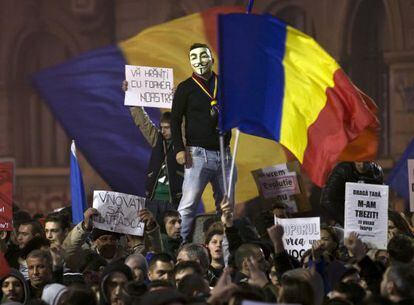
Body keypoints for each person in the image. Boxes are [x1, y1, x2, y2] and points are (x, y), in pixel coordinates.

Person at [171, 42, 235, 242]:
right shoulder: (185, 88)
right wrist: (179, 149)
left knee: (226, 205)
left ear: (213, 59)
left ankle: (224, 247)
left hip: (224, 154)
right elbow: (174, 120)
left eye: (204, 56)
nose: (199, 61)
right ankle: (179, 249)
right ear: (190, 62)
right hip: (197, 155)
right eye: (194, 58)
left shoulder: (225, 84)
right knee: (188, 205)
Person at [122, 81, 184, 211]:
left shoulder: (183, 143)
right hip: (153, 200)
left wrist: (178, 100)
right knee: (153, 231)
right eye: (161, 128)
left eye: (167, 128)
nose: (163, 131)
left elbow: (182, 122)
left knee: (172, 231)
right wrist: (132, 98)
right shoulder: (158, 140)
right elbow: (143, 123)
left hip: (175, 201)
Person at [320, 161, 383, 226]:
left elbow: (380, 201)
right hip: (340, 220)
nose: (362, 165)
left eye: (366, 161)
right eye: (359, 161)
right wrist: (347, 221)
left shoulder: (376, 172)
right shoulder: (342, 170)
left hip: (366, 221)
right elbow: (327, 199)